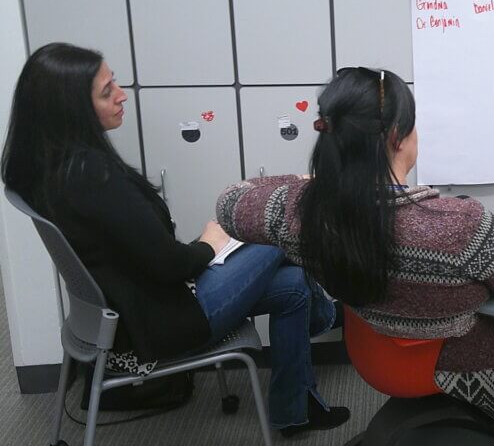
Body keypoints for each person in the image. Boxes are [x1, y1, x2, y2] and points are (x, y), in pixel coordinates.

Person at [1, 43, 349, 438]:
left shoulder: (48, 169)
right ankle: (331, 315)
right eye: (106, 91)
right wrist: (209, 242)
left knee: (292, 288)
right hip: (162, 321)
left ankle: (295, 408)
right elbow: (170, 264)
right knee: (277, 231)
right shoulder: (91, 177)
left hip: (135, 311)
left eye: (113, 82)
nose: (120, 94)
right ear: (70, 110)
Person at [215, 67, 494, 418]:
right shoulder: (462, 226)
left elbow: (231, 202)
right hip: (462, 365)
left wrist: (319, 181)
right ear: (397, 136)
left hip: (374, 359)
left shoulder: (304, 214)